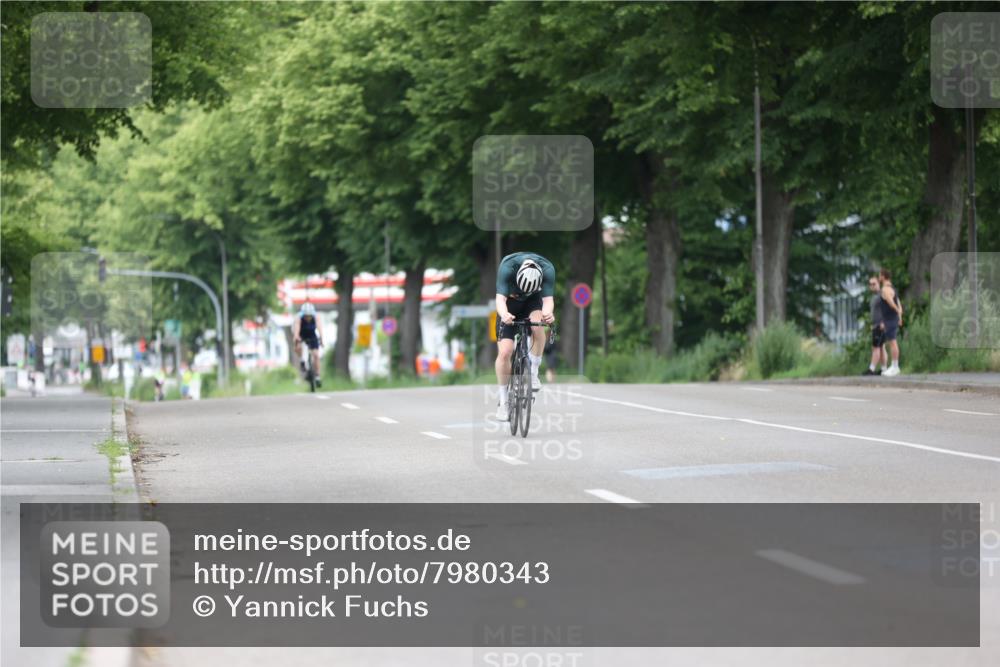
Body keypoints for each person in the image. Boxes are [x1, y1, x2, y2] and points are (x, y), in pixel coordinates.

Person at [494, 252, 556, 420]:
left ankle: (534, 374)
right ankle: (504, 401)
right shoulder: (507, 267)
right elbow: (499, 300)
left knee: (538, 327)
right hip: (509, 304)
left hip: (532, 302)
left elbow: (548, 300)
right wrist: (505, 314)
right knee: (505, 352)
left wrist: (548, 313)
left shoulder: (547, 268)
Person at [878, 268, 903, 377]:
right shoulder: (893, 288)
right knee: (892, 342)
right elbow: (899, 303)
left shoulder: (885, 289)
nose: (879, 277)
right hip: (893, 318)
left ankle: (895, 367)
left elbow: (891, 301)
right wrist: (900, 316)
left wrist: (897, 311)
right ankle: (893, 366)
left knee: (892, 342)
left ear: (883, 276)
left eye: (879, 275)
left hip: (890, 319)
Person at [292, 302, 323, 387]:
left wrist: (321, 339)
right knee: (298, 346)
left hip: (312, 334)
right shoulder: (299, 318)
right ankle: (302, 360)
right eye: (306, 316)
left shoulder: (316, 317)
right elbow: (297, 329)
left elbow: (319, 328)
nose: (308, 318)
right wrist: (296, 338)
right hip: (301, 334)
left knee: (316, 355)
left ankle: (317, 376)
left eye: (309, 316)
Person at [863, 275, 887, 375]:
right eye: (870, 284)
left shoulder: (882, 294)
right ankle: (884, 369)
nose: (872, 286)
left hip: (881, 325)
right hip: (875, 325)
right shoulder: (874, 297)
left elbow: (887, 308)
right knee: (881, 347)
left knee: (876, 347)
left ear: (879, 284)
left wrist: (883, 322)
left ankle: (871, 369)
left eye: (874, 284)